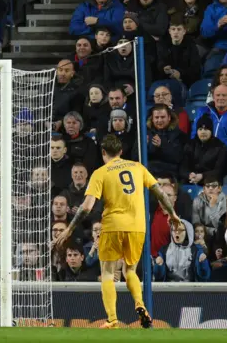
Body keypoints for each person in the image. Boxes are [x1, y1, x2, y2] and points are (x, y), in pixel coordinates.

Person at [54, 134, 181, 329]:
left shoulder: (100, 172)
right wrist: (172, 214)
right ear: (121, 152)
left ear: (103, 152)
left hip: (113, 225)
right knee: (130, 270)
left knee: (107, 273)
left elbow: (87, 207)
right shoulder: (138, 168)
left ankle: (112, 319)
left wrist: (70, 229)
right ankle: (140, 305)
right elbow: (160, 192)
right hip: (138, 226)